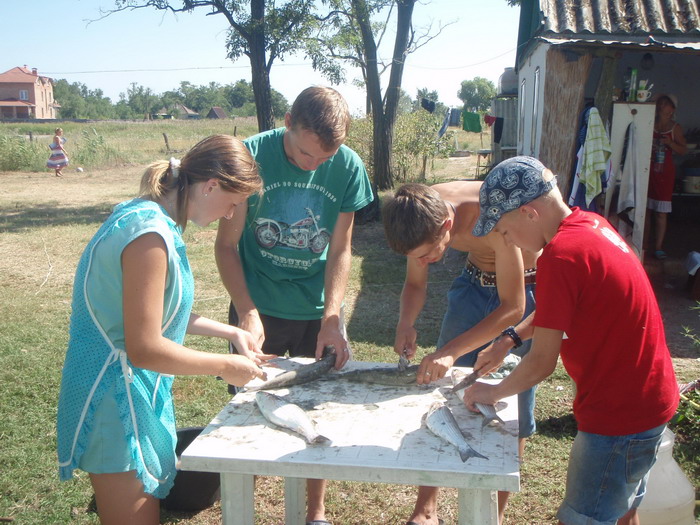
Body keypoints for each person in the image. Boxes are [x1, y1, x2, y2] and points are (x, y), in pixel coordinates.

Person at [56, 135, 273, 524]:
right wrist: (223, 366)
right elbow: (145, 347)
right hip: (112, 398)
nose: (229, 214)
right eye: (233, 203)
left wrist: (231, 332)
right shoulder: (149, 236)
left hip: (127, 389)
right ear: (211, 186)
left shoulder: (153, 220)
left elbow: (154, 314)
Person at [463, 156, 679, 525]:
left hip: (619, 417)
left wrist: (490, 393)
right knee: (623, 508)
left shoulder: (561, 257)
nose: (507, 240)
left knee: (583, 518)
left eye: (504, 230)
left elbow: (542, 363)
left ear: (529, 212)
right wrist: (510, 338)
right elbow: (557, 309)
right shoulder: (590, 224)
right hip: (649, 400)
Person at [215, 86, 374, 525]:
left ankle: (316, 512)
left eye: (324, 159)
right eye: (307, 156)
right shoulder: (248, 157)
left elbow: (341, 248)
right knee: (247, 405)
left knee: (317, 407)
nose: (314, 166)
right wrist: (246, 310)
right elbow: (227, 245)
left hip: (314, 311)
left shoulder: (347, 165)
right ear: (288, 121)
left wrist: (333, 317)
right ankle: (241, 501)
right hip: (257, 304)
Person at [382, 182, 539, 525]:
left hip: (525, 291)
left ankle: (492, 515)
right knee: (439, 397)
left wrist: (450, 352)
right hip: (472, 285)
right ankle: (426, 508)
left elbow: (513, 307)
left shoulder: (492, 214)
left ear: (446, 227)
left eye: (428, 254)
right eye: (417, 257)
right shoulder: (420, 210)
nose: (424, 262)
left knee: (513, 411)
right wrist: (405, 323)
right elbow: (415, 283)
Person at [647, 94, 687, 259]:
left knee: (661, 212)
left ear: (672, 109)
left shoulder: (675, 128)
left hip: (665, 173)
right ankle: (643, 244)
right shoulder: (651, 124)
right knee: (647, 210)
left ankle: (658, 247)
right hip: (649, 171)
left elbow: (683, 150)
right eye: (661, 103)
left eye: (665, 104)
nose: (662, 106)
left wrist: (670, 143)